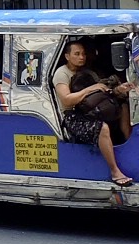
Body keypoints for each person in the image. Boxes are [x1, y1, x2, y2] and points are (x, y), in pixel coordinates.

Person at [53, 39, 133, 187]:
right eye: (76, 54)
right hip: (73, 117)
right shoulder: (61, 74)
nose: (81, 57)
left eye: (83, 54)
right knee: (102, 128)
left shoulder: (87, 72)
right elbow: (67, 100)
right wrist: (90, 89)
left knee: (123, 107)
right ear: (67, 56)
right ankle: (115, 171)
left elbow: (100, 94)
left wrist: (119, 90)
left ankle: (131, 147)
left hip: (90, 110)